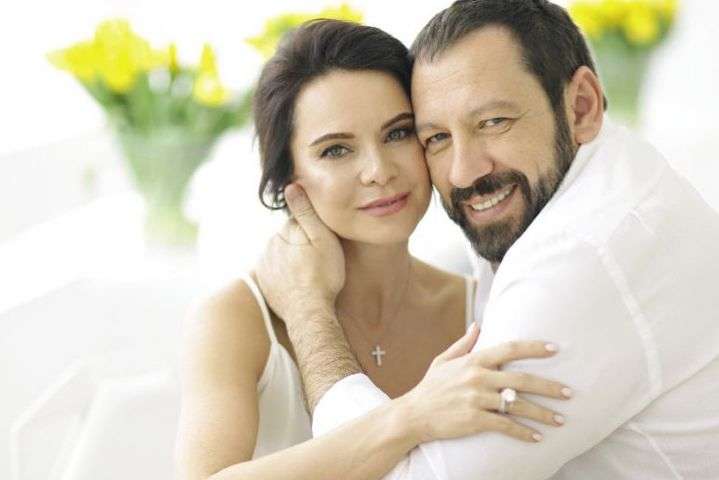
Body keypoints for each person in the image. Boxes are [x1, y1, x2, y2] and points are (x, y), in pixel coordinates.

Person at [256, 1, 719, 479]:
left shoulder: (581, 259)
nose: (464, 172)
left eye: (494, 122)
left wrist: (309, 313)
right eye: (436, 138)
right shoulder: (598, 186)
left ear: (582, 105)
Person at [174, 19, 572, 480]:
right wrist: (410, 416)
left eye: (398, 133)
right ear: (288, 178)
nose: (379, 170)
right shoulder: (235, 317)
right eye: (336, 150)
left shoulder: (479, 305)